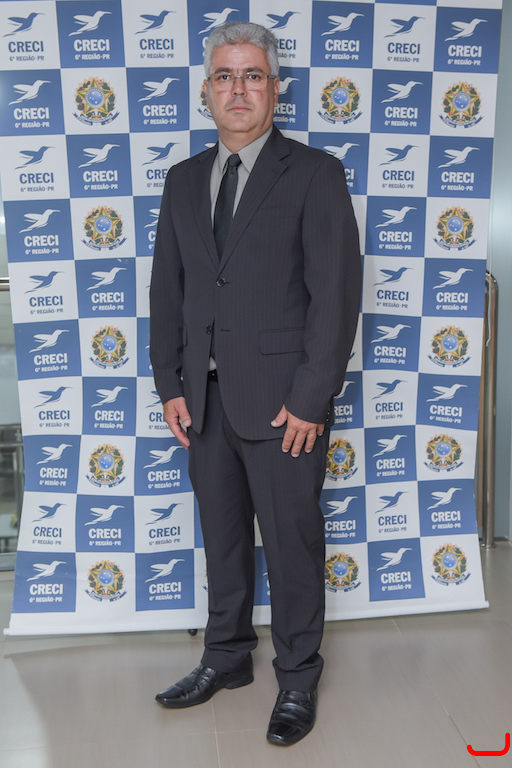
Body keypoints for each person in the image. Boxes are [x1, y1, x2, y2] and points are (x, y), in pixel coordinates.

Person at [149, 21, 361, 746]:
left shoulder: (315, 173)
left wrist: (310, 397)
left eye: (252, 75)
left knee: (293, 543)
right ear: (206, 90)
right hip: (203, 402)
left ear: (275, 88)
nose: (237, 89)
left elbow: (335, 295)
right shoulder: (182, 180)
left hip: (284, 406)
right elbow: (169, 291)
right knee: (223, 538)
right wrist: (170, 381)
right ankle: (227, 658)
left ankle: (297, 676)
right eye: (224, 76)